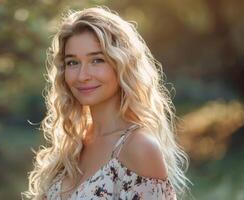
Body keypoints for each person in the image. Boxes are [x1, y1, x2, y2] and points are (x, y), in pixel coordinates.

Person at [23, 6, 191, 200]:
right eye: (73, 62)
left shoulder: (138, 147)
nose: (82, 76)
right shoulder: (73, 144)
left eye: (97, 60)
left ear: (122, 64)